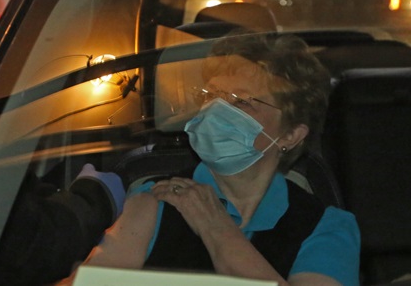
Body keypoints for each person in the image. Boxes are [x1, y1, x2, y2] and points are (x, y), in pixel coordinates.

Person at [62, 32, 360, 286]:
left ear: (291, 135)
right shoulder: (157, 200)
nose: (217, 110)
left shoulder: (325, 226)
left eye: (242, 102)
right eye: (211, 95)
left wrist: (215, 227)